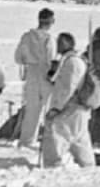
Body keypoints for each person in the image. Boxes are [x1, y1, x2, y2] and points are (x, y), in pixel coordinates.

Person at [41, 32, 95, 168]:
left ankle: (53, 165)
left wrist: (56, 108)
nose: (57, 45)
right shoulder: (69, 60)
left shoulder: (73, 62)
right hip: (75, 108)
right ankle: (88, 165)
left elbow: (68, 88)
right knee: (79, 138)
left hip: (70, 107)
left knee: (57, 134)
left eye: (60, 42)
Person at [13, 7, 56, 148]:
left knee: (32, 109)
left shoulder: (26, 37)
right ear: (50, 21)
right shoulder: (49, 38)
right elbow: (51, 57)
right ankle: (50, 139)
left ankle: (26, 140)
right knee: (50, 107)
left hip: (31, 72)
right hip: (45, 73)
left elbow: (18, 57)